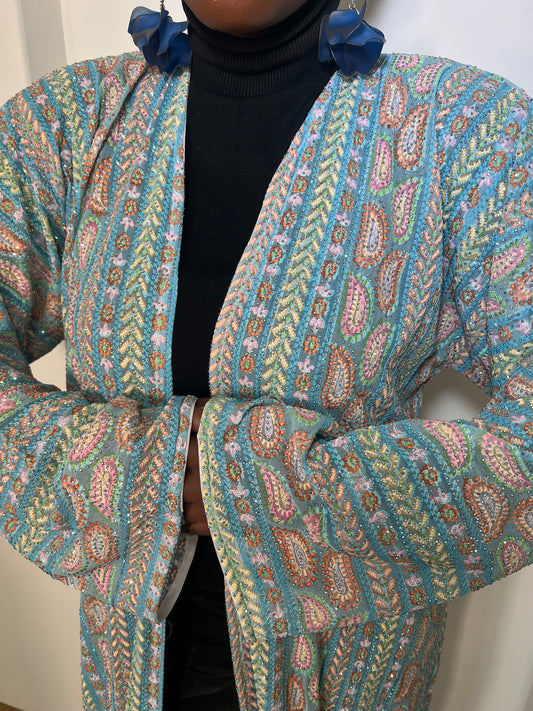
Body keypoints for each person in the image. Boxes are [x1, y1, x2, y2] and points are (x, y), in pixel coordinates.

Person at [0, 0, 531, 710]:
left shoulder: (467, 131)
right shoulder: (62, 125)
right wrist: (138, 469)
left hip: (351, 667)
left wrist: (251, 485)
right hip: (127, 653)